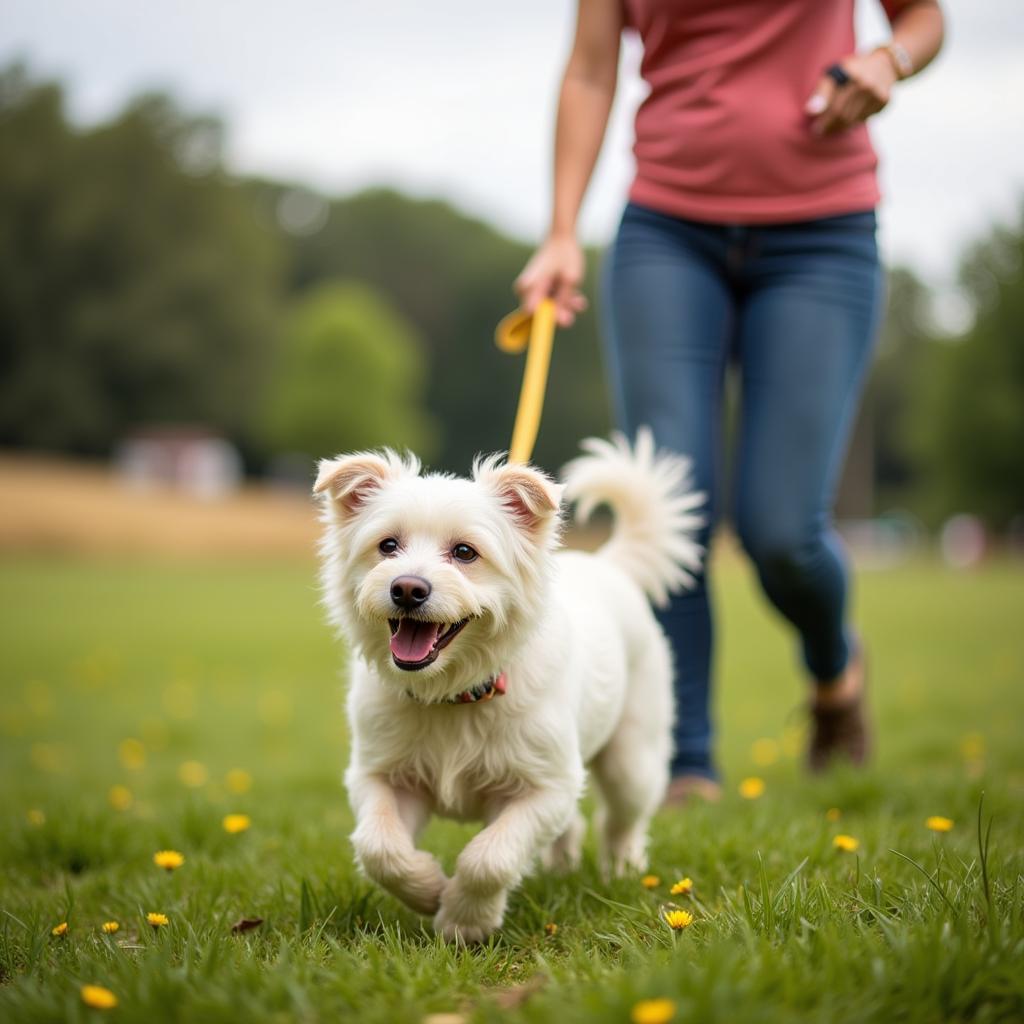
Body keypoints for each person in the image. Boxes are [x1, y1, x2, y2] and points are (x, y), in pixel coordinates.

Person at [515, 0, 945, 800]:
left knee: (783, 531)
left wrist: (889, 61)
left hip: (824, 234)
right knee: (669, 510)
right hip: (668, 233)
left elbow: (923, 17)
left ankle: (835, 670)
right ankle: (686, 764)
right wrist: (562, 229)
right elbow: (588, 68)